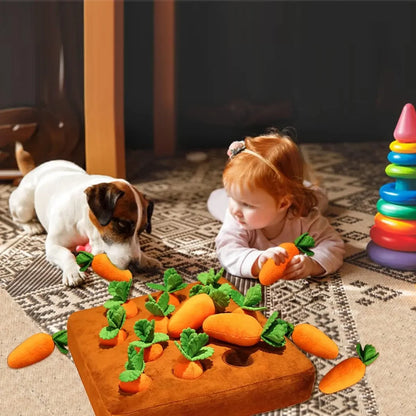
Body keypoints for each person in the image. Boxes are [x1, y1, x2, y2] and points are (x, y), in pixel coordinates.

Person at [207, 128, 345, 280]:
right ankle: (229, 194)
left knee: (318, 197)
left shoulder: (306, 217)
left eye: (247, 204)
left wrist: (313, 264)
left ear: (282, 204)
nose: (236, 210)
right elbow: (227, 251)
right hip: (224, 201)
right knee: (215, 200)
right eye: (231, 197)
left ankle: (304, 187)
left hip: (301, 198)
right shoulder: (235, 216)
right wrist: (257, 260)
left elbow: (333, 244)